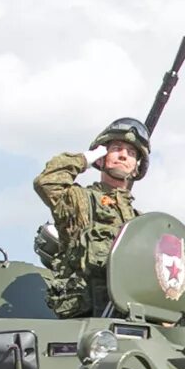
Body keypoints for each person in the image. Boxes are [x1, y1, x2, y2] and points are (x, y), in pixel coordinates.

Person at [33, 117, 147, 319]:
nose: (123, 155)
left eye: (131, 153)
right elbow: (47, 182)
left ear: (136, 167)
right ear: (102, 158)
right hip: (84, 317)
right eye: (116, 149)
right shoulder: (81, 201)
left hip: (130, 318)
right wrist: (87, 157)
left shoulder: (141, 223)